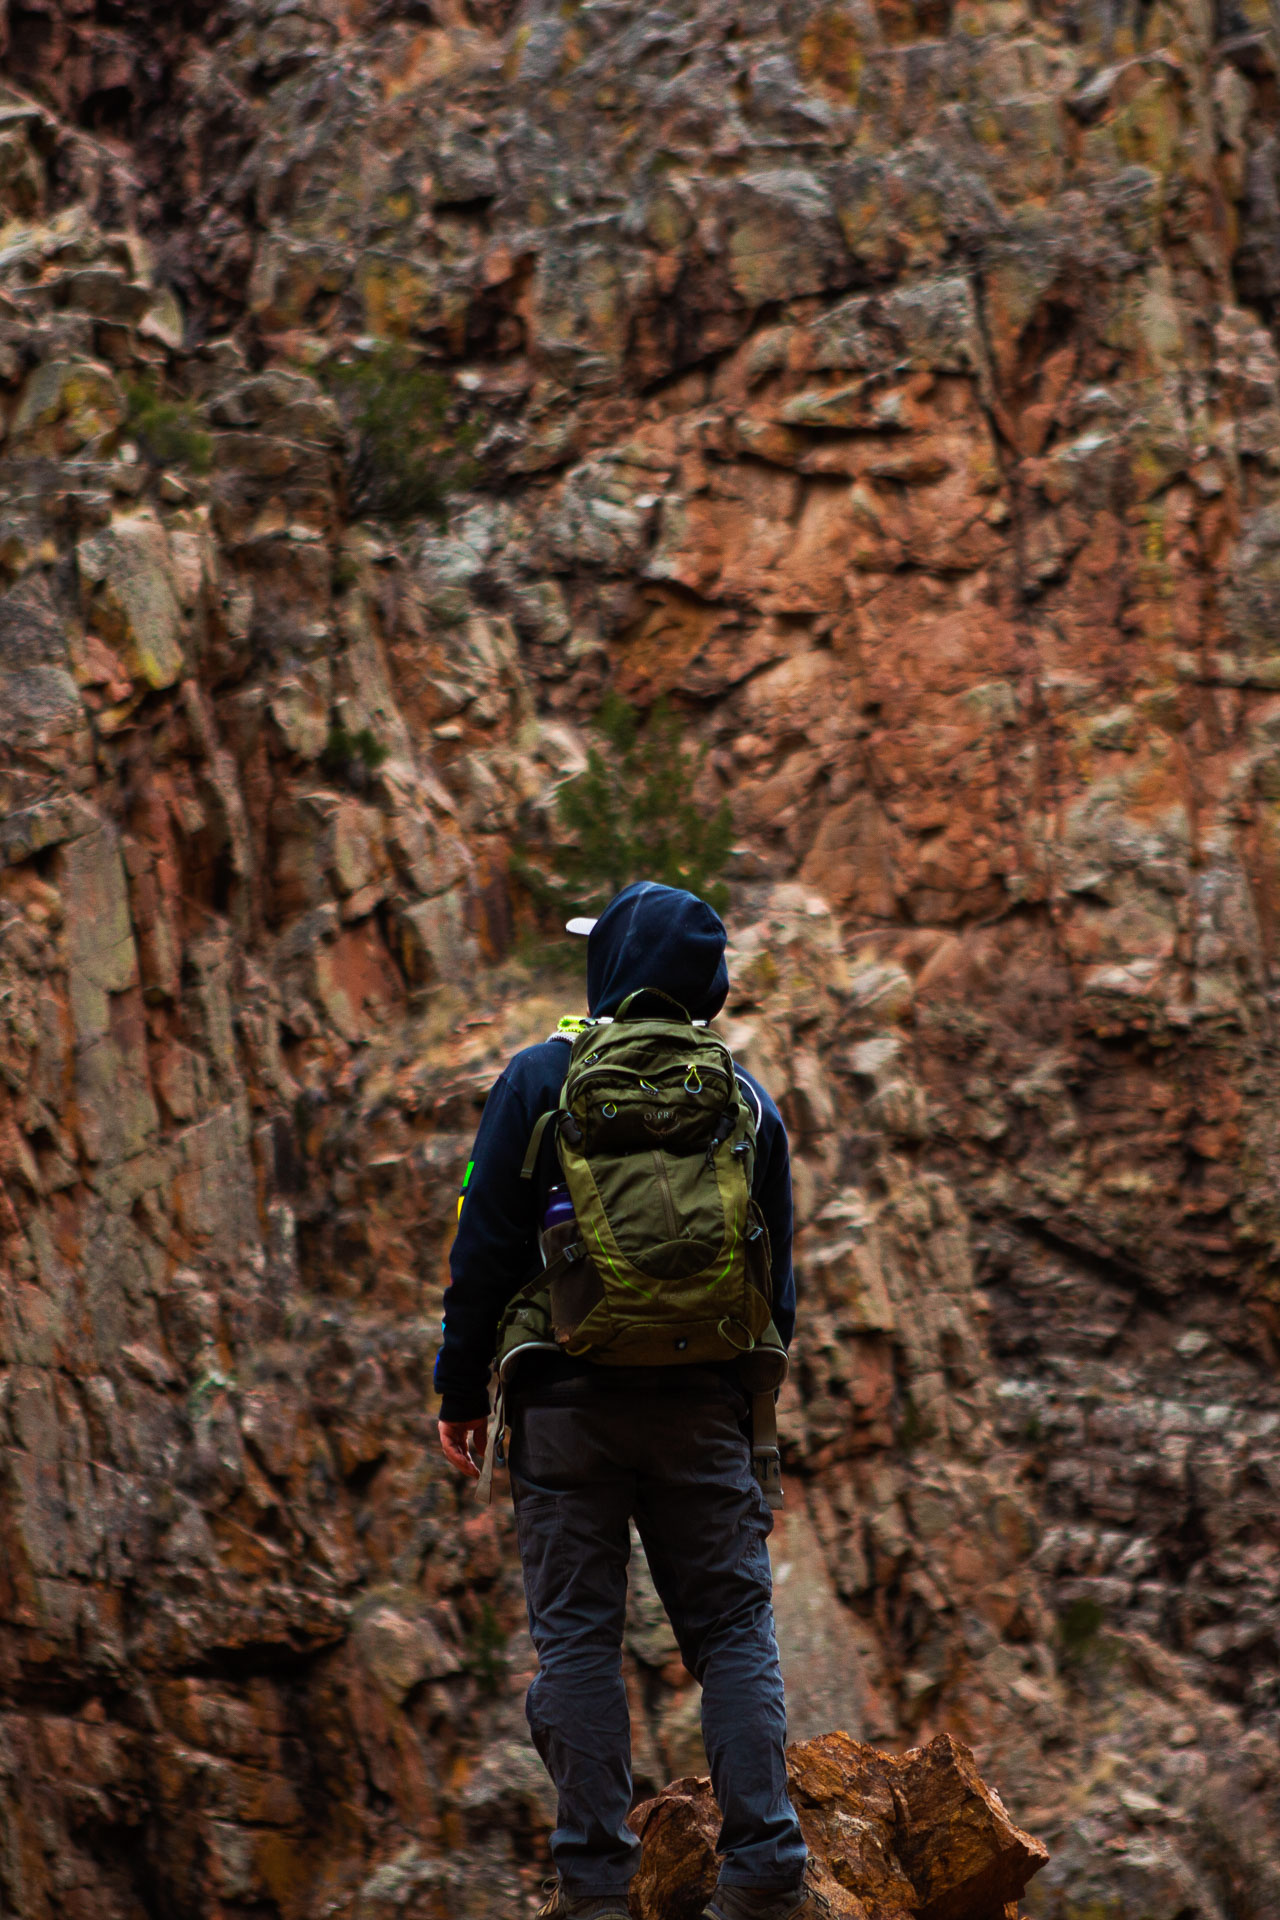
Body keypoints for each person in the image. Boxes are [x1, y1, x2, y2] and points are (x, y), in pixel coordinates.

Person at [434, 882, 809, 1920]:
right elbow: (774, 1285)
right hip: (698, 1404)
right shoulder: (744, 1100)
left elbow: (482, 1255)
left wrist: (459, 1391)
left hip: (563, 1405)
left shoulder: (539, 1079)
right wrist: (745, 1416)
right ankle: (763, 1865)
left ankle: (595, 1883)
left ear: (609, 969)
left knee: (576, 1641)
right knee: (730, 1629)